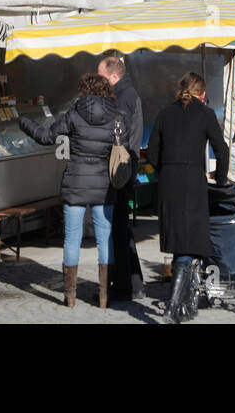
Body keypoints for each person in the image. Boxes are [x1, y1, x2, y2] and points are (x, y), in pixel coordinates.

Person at [19, 73, 119, 308]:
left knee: (72, 239)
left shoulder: (73, 114)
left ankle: (70, 297)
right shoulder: (116, 116)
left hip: (75, 183)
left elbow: (45, 137)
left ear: (84, 90)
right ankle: (105, 296)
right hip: (104, 186)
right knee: (105, 240)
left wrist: (24, 121)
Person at [145, 71, 230, 323]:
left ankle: (184, 306)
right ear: (202, 93)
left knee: (181, 243)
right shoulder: (205, 113)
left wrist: (165, 171)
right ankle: (172, 306)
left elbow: (151, 153)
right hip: (193, 181)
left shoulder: (164, 113)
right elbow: (222, 150)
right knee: (188, 244)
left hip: (169, 182)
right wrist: (221, 179)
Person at [97, 54, 144, 302]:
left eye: (102, 77)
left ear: (114, 76)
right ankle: (134, 283)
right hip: (127, 167)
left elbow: (119, 135)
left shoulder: (122, 97)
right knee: (122, 228)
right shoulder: (128, 93)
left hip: (121, 170)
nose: (99, 81)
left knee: (118, 229)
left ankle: (123, 285)